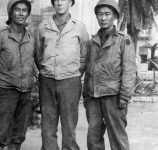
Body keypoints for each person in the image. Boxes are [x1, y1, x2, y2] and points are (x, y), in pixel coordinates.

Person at [83, 0, 137, 150]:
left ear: (114, 17)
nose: (103, 18)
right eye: (100, 14)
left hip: (114, 97)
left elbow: (129, 70)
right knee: (93, 140)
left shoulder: (124, 40)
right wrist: (86, 95)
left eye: (107, 14)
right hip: (93, 97)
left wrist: (124, 96)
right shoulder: (92, 42)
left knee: (118, 139)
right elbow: (89, 70)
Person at [35, 0, 89, 150]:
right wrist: (47, 71)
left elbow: (84, 56)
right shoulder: (43, 27)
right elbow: (38, 54)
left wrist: (73, 73)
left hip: (70, 81)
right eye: (56, 0)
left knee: (69, 125)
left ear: (70, 2)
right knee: (48, 125)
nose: (60, 3)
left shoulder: (79, 27)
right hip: (47, 81)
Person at [0, 0, 36, 149]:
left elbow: (33, 62)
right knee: (1, 135)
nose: (21, 13)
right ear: (10, 12)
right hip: (6, 91)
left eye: (24, 10)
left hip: (25, 92)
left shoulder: (30, 38)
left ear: (28, 13)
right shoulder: (0, 35)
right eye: (17, 10)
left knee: (19, 135)